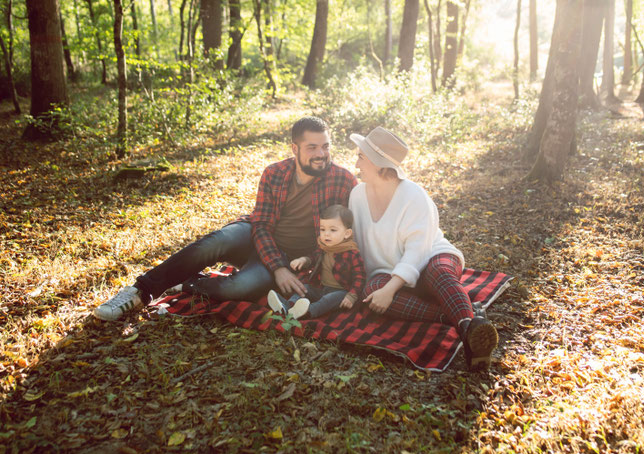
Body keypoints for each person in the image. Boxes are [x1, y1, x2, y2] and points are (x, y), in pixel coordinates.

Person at [93, 117, 357, 321]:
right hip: (255, 234)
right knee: (216, 241)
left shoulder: (343, 180)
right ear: (295, 148)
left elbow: (365, 210)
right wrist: (278, 268)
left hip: (292, 255)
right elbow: (262, 225)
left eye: (325, 146)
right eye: (312, 147)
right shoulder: (275, 173)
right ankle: (140, 291)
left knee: (240, 287)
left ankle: (188, 283)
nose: (321, 154)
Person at [348, 126, 498, 371]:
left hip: (432, 257)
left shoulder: (413, 196)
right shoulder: (356, 195)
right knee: (372, 290)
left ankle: (466, 324)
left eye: (361, 157)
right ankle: (469, 321)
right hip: (388, 271)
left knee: (438, 273)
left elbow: (418, 250)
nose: (356, 163)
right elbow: (353, 241)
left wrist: (391, 289)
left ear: (377, 164)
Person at [267, 204, 366, 320]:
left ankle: (307, 312)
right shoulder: (323, 247)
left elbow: (360, 277)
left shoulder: (351, 253)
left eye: (333, 230)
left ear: (347, 233)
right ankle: (288, 305)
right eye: (322, 229)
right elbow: (313, 257)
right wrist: (303, 260)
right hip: (321, 288)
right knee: (305, 289)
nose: (326, 234)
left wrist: (352, 296)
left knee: (327, 300)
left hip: (340, 292)